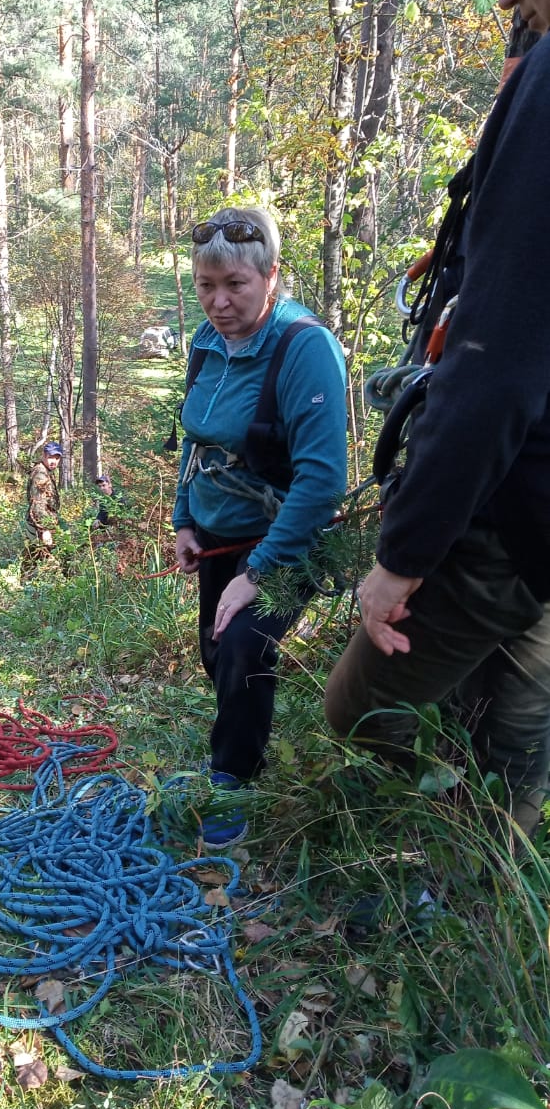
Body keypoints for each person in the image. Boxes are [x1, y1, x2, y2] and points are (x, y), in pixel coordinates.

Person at [325, 0, 550, 838]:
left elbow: (496, 367)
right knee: (519, 702)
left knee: (357, 706)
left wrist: (402, 557)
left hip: (508, 506)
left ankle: (455, 844)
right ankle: (500, 868)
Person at [173, 206, 347, 845]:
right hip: (219, 532)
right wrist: (184, 519)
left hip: (284, 540)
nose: (219, 302)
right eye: (206, 286)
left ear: (272, 276)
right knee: (217, 653)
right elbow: (196, 441)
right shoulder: (206, 343)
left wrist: (259, 573)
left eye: (235, 285)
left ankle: (231, 781)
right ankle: (238, 753)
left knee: (245, 646)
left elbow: (323, 480)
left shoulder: (305, 349)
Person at [23, 441, 62, 567]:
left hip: (42, 524)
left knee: (34, 560)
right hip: (38, 526)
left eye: (57, 458)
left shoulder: (46, 472)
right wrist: (45, 529)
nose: (54, 461)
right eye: (51, 457)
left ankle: (25, 583)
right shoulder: (40, 474)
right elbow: (38, 505)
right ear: (44, 456)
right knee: (40, 561)